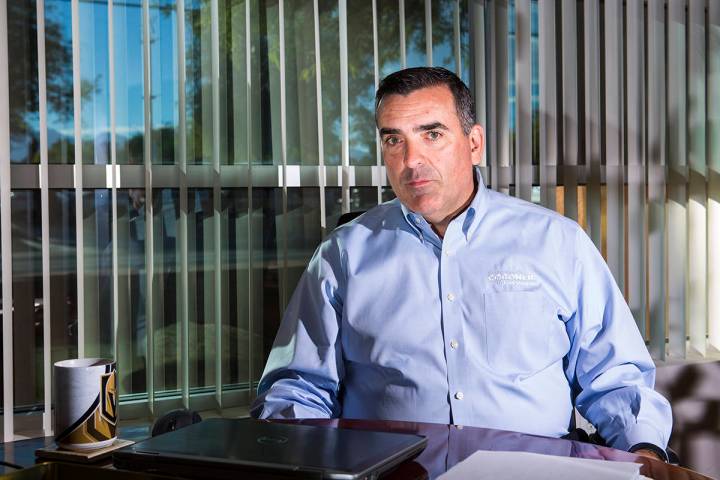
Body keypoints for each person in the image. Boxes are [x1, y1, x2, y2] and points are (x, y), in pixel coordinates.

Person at [250, 67, 672, 461]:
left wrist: (645, 454)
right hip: (392, 472)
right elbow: (298, 386)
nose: (412, 160)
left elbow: (616, 378)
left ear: (474, 143)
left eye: (431, 134)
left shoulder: (556, 242)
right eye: (394, 140)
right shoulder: (343, 254)